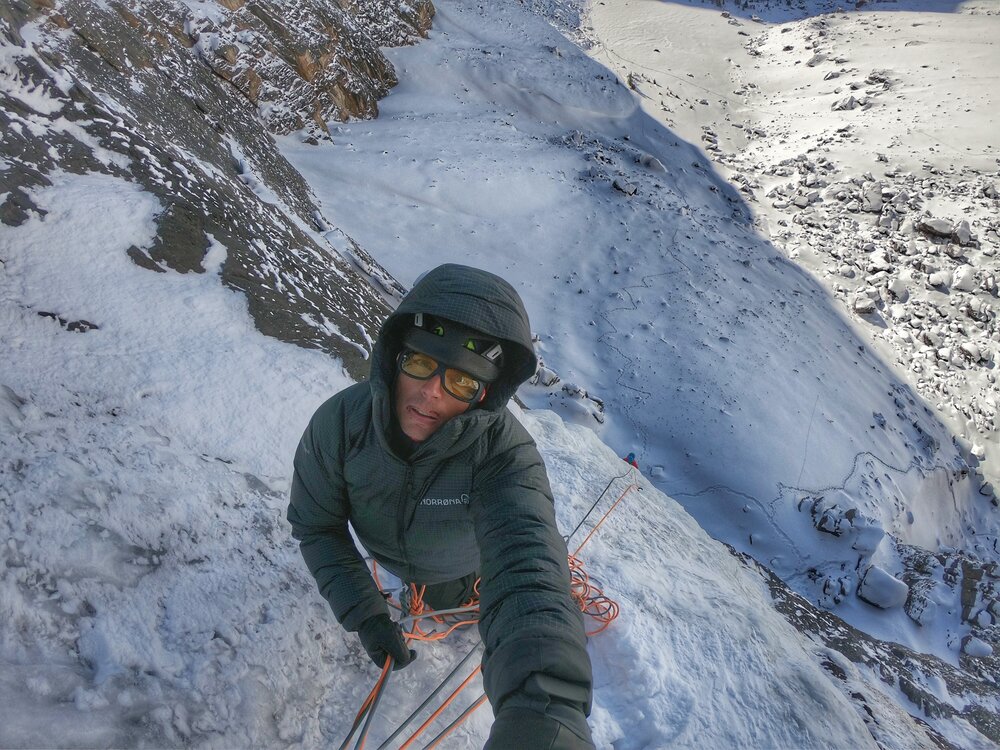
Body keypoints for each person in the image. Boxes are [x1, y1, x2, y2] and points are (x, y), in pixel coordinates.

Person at [287, 263, 595, 749]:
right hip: (398, 561)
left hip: (461, 574)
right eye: (420, 364)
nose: (430, 392)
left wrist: (545, 715)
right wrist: (365, 613)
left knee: (455, 602)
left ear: (484, 397)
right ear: (396, 358)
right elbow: (318, 526)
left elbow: (526, 567)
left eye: (461, 383)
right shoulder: (341, 425)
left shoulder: (503, 455)